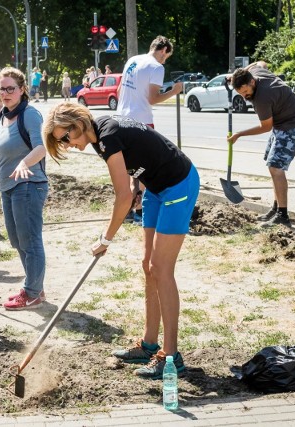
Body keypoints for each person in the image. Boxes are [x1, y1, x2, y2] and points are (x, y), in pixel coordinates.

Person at [43, 102, 199, 380]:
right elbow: (132, 170)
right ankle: (149, 344)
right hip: (155, 187)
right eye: (60, 142)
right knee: (148, 266)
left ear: (77, 122)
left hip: (178, 184)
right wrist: (136, 187)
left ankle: (172, 357)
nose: (66, 144)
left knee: (162, 269)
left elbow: (122, 199)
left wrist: (106, 238)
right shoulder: (97, 137)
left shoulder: (107, 135)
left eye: (65, 137)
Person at [0, 67, 48, 310]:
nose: (5, 93)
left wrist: (25, 163)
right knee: (16, 240)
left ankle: (32, 292)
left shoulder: (31, 115)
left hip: (28, 184)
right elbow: (1, 145)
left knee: (30, 239)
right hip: (7, 185)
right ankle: (34, 287)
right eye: (2, 89)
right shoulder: (2, 114)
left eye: (10, 88)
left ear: (22, 89)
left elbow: (41, 147)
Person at [229, 61, 295, 226]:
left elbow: (265, 126)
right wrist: (234, 76)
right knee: (272, 165)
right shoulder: (255, 73)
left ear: (252, 82)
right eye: (240, 93)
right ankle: (277, 207)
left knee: (276, 167)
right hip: (282, 121)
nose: (244, 96)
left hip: (292, 124)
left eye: (245, 92)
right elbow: (260, 63)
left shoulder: (262, 98)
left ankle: (283, 216)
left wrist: (239, 134)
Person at [117, 35, 182, 226]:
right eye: (166, 57)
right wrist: (175, 91)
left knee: (131, 169)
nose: (164, 60)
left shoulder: (133, 60)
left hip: (122, 118)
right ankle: (140, 212)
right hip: (142, 121)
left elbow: (121, 90)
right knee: (146, 169)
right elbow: (152, 99)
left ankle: (128, 210)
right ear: (163, 50)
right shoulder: (156, 66)